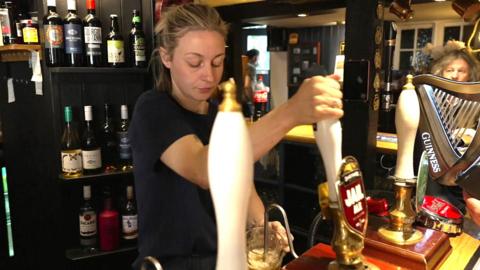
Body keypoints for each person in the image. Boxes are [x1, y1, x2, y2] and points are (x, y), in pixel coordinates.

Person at [128, 3, 343, 270]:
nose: (209, 74)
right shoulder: (153, 109)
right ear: (167, 57)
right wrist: (291, 112)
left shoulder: (223, 114)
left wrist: (263, 229)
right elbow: (205, 169)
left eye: (217, 61)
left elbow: (243, 186)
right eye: (194, 62)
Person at [424, 42, 480, 225]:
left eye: (461, 71)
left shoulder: (475, 102)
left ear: (470, 74)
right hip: (435, 165)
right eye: (450, 70)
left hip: (464, 168)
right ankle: (431, 208)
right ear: (441, 72)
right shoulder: (431, 99)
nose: (455, 74)